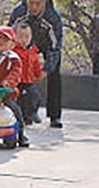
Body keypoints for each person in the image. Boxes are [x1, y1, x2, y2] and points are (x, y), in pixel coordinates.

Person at [9, 0, 63, 128]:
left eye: (38, 4)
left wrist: (46, 69)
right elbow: (9, 36)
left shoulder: (53, 17)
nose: (34, 7)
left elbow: (55, 47)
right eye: (31, 3)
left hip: (46, 43)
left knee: (55, 72)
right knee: (15, 71)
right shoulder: (18, 12)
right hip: (23, 41)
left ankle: (55, 116)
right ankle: (22, 110)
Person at [12, 22, 44, 125]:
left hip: (29, 80)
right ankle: (19, 117)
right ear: (15, 37)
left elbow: (36, 65)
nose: (24, 40)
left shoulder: (33, 51)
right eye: (20, 37)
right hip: (17, 81)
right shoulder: (13, 51)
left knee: (34, 96)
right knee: (17, 99)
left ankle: (32, 113)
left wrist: (38, 74)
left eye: (27, 37)